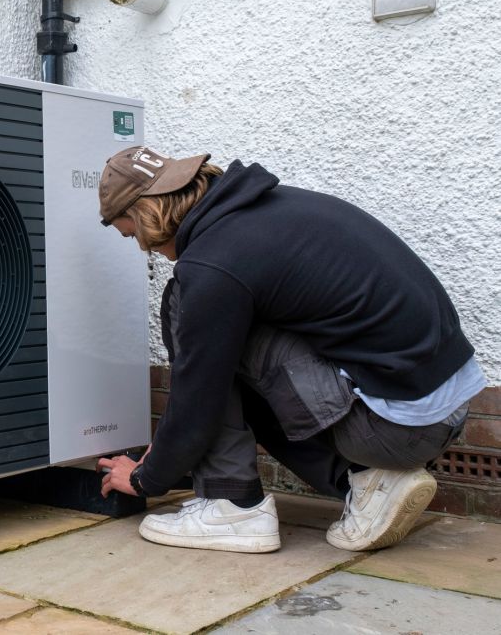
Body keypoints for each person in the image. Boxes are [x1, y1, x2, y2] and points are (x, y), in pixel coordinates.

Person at [95, 146, 484, 554]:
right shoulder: (268, 211)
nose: (146, 249)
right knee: (219, 341)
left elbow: (199, 392)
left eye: (132, 234)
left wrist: (147, 479)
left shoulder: (214, 264)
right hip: (438, 412)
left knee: (185, 306)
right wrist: (171, 452)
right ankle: (367, 483)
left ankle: (233, 507)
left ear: (146, 216)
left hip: (395, 430)